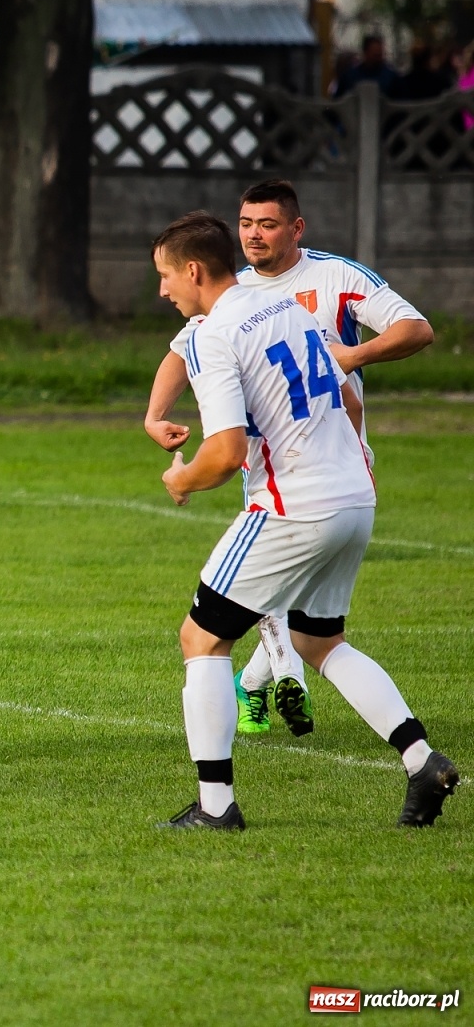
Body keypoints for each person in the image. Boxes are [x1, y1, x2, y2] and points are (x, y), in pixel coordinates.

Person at [149, 211, 457, 830]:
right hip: (353, 497)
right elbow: (343, 394)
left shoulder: (213, 335)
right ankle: (422, 761)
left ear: (192, 270)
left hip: (294, 507)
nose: (162, 292)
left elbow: (226, 452)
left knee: (201, 638)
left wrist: (181, 478)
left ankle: (216, 809)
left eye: (163, 276)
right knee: (319, 640)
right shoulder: (286, 307)